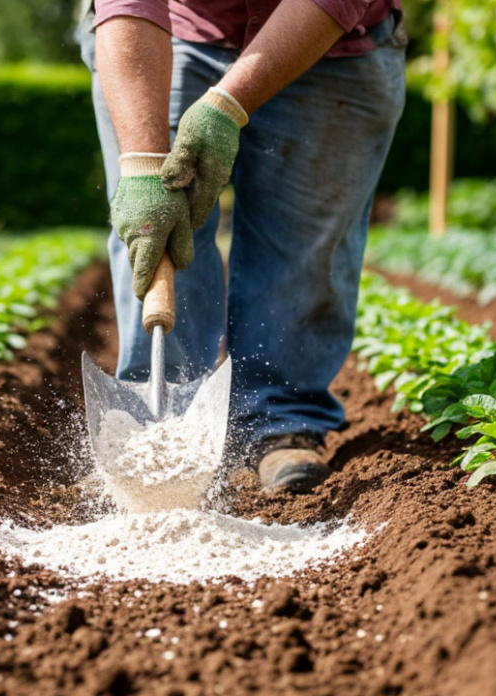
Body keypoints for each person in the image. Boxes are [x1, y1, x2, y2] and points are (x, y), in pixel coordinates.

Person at [77, 0, 406, 493]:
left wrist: (228, 105)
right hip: (175, 35)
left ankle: (277, 422)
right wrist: (144, 165)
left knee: (300, 251)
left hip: (334, 44)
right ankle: (161, 422)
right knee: (155, 228)